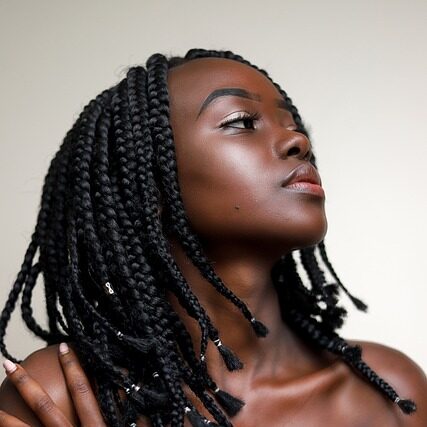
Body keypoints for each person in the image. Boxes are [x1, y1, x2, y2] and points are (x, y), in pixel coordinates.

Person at [0, 48, 425, 427]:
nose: (299, 141)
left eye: (295, 125)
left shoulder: (391, 390)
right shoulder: (62, 396)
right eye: (242, 122)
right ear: (150, 185)